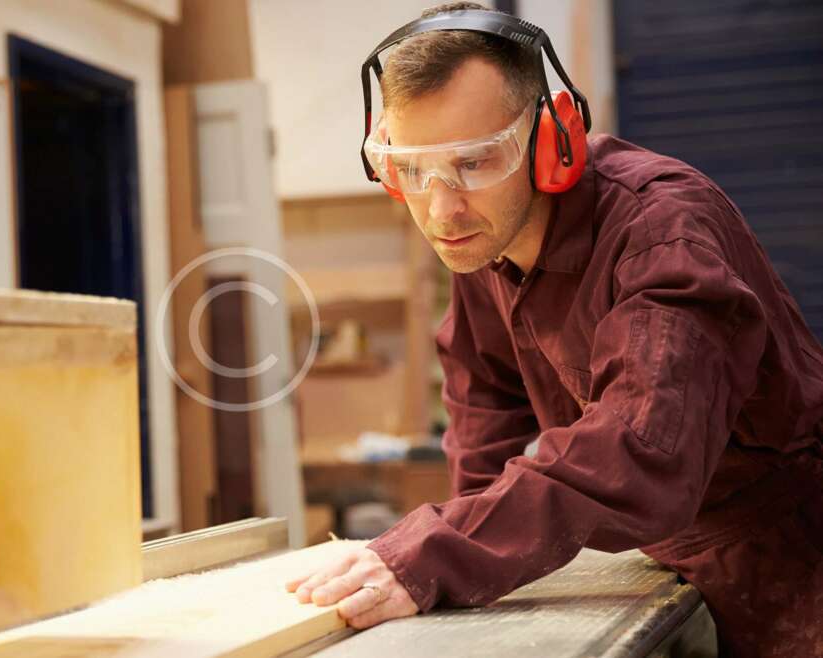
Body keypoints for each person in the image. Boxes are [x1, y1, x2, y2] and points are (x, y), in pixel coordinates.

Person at [285, 4, 823, 656]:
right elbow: (482, 411)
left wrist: (441, 551)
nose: (442, 207)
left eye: (475, 161)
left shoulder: (662, 233)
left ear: (553, 141)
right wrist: (466, 566)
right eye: (413, 168)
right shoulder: (482, 236)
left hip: (796, 560)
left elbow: (640, 449)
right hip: (669, 559)